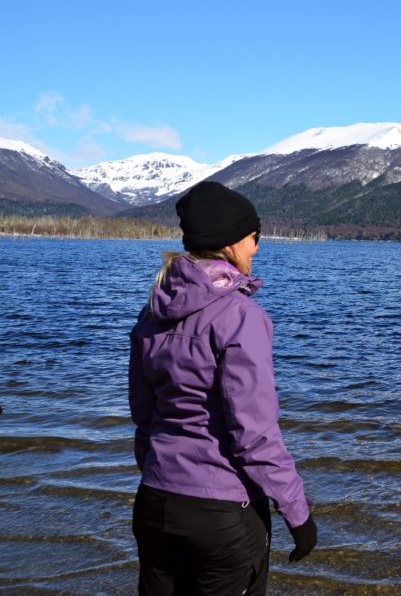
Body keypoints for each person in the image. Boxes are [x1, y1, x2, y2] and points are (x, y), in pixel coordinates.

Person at [129, 181, 316, 595]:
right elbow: (254, 435)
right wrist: (298, 515)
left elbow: (144, 416)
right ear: (230, 242)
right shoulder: (240, 317)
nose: (258, 249)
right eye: (254, 238)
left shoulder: (152, 311)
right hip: (222, 514)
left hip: (155, 503)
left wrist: (159, 475)